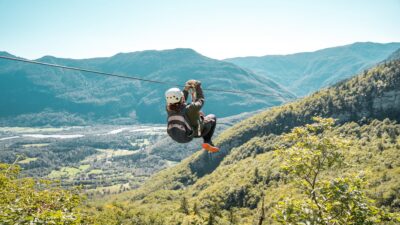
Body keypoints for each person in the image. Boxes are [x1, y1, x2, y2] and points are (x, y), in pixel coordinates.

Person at [165, 80, 219, 153]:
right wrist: (198, 86)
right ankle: (207, 141)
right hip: (197, 133)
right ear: (182, 98)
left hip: (182, 134)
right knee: (212, 117)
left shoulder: (169, 109)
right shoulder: (191, 108)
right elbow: (200, 100)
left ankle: (206, 141)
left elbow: (180, 102)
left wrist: (186, 90)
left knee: (195, 120)